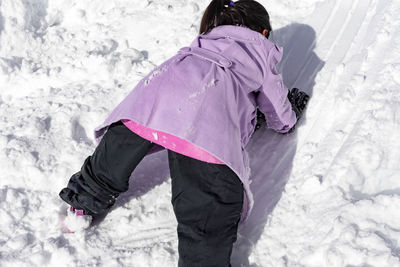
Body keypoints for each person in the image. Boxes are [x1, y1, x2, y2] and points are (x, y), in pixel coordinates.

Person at [58, 0, 309, 265]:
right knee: (207, 207)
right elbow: (279, 112)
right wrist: (288, 117)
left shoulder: (201, 44)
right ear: (264, 33)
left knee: (116, 151)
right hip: (206, 128)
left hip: (154, 100)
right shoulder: (260, 52)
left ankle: (83, 201)